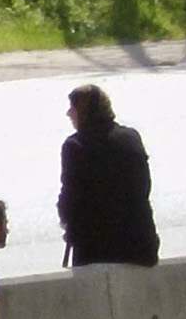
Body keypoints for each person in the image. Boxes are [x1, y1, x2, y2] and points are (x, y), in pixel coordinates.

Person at [56, 83, 158, 267]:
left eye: (73, 108)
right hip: (140, 245)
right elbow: (144, 187)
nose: (69, 113)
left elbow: (70, 197)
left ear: (83, 112)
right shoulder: (131, 137)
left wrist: (67, 222)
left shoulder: (75, 146)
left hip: (96, 248)